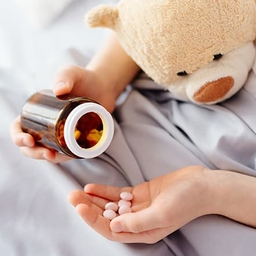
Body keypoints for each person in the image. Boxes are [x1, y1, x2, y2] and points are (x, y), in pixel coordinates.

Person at [10, 33, 256, 245]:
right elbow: (154, 14)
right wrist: (106, 80)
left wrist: (216, 192)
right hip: (135, 87)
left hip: (218, 195)